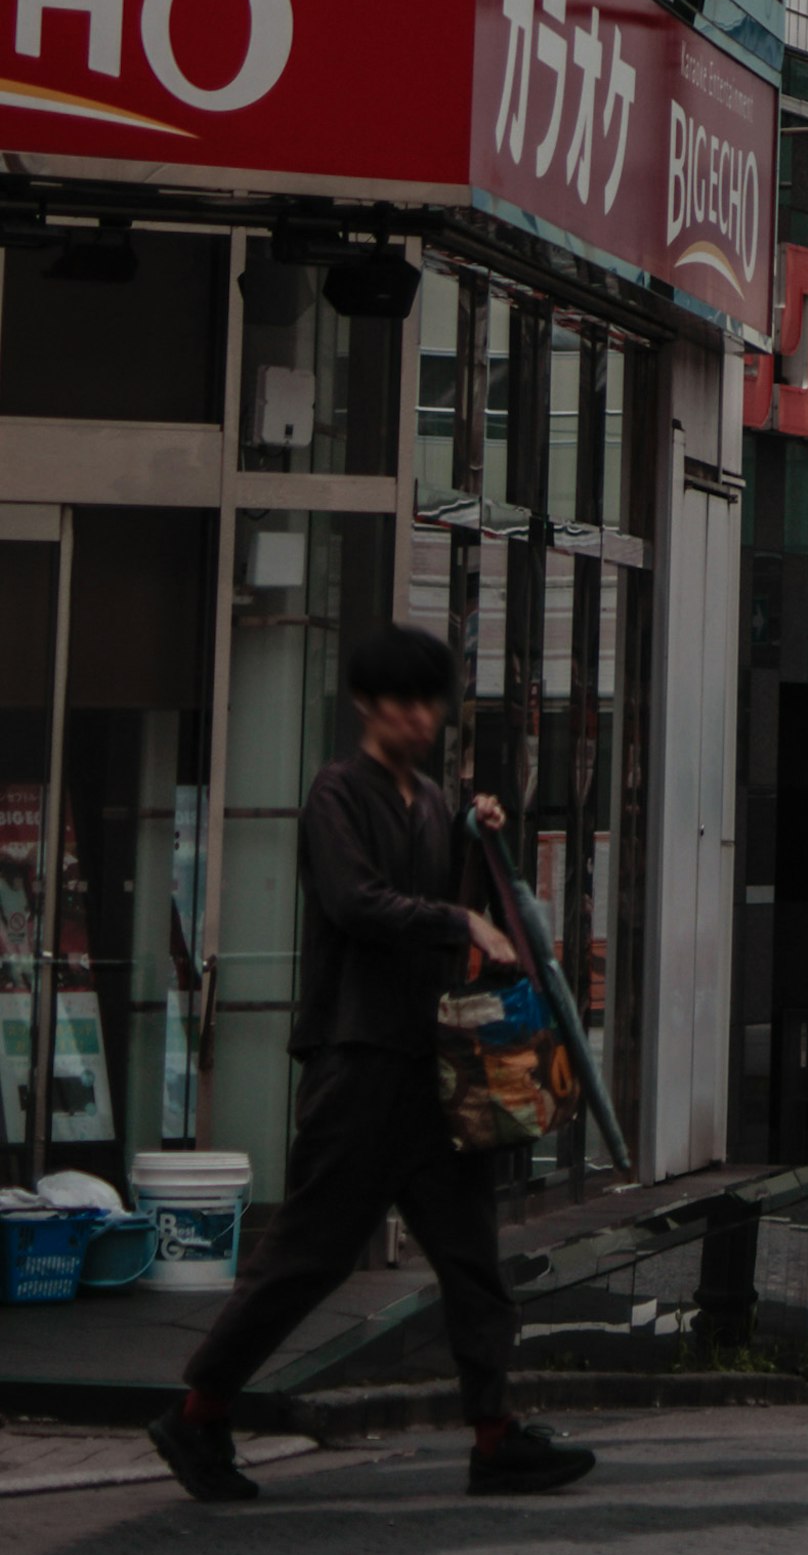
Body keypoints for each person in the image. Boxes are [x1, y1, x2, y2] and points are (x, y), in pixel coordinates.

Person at [155, 625, 595, 1505]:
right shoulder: (335, 794)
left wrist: (479, 839)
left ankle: (495, 1435)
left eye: (429, 701)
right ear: (365, 704)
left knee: (472, 1256)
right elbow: (358, 904)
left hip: (435, 1067)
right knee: (309, 1256)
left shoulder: (433, 801)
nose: (417, 717)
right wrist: (459, 921)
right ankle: (199, 1414)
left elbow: (448, 902)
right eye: (400, 701)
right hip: (358, 1063)